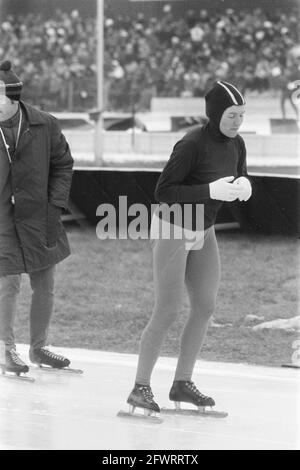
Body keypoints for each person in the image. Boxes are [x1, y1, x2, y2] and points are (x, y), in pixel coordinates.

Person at [125, 81, 252, 416]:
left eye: (241, 115)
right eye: (231, 115)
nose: (237, 122)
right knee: (167, 309)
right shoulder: (191, 143)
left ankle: (182, 382)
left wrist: (244, 183)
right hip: (173, 225)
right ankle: (140, 387)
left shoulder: (237, 144)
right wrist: (209, 190)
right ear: (213, 114)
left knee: (205, 306)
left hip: (203, 228)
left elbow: (238, 174)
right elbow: (164, 191)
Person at [0, 60, 74, 376]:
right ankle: (7, 349)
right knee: (9, 283)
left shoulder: (44, 124)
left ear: (12, 99)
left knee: (45, 283)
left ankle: (39, 347)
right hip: (2, 219)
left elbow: (63, 164)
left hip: (39, 216)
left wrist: (54, 206)